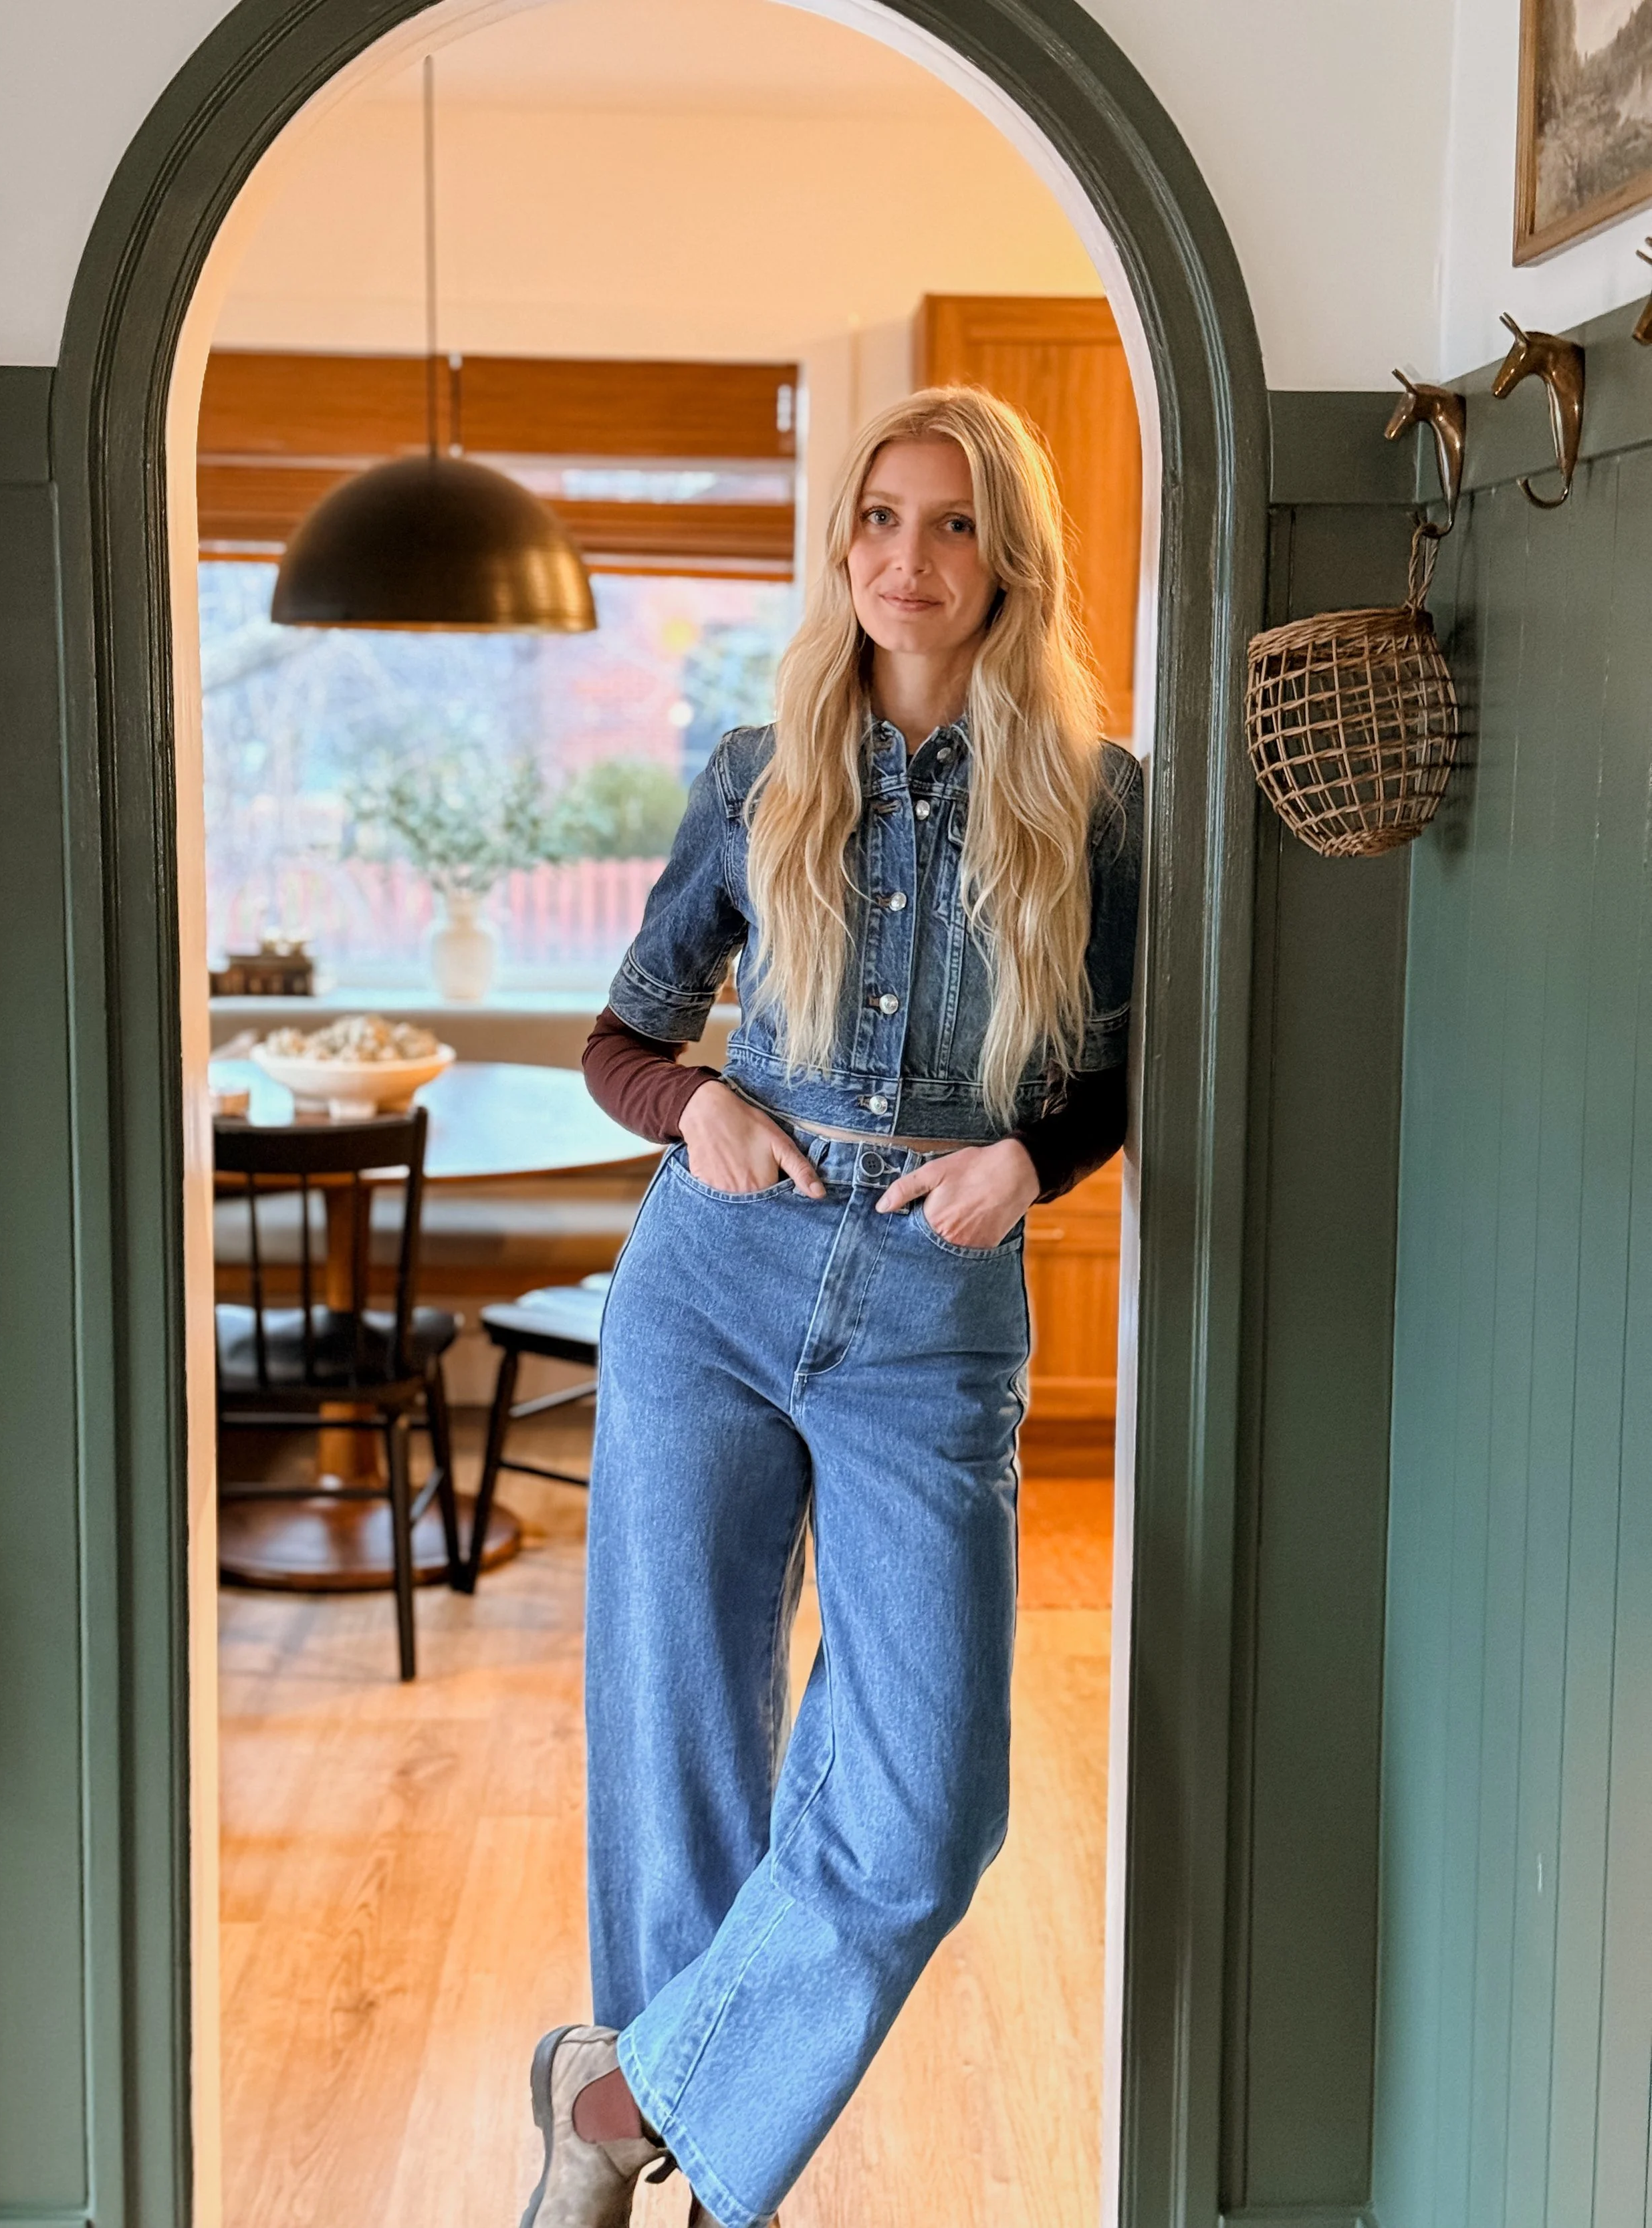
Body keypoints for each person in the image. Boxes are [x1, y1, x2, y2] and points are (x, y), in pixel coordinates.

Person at [519, 386, 1143, 2228]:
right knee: (682, 1737)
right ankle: (708, 2182)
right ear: (840, 545)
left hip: (935, 1311)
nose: (905, 558)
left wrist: (1030, 1162)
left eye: (949, 524)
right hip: (713, 1275)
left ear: (1004, 556)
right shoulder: (755, 769)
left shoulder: (1097, 803)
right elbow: (623, 1038)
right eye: (877, 517)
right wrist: (699, 1101)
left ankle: (618, 2094)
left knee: (926, 1802)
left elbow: (1125, 1071)